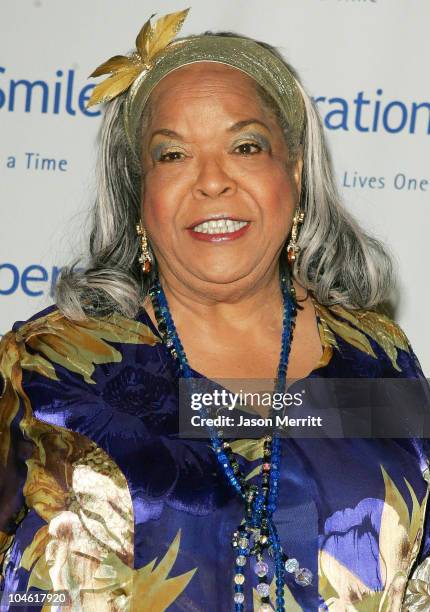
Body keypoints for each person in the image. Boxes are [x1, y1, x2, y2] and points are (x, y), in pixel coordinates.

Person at [0, 8, 429, 611]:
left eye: (246, 146)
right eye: (171, 155)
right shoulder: (47, 371)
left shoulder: (378, 358)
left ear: (296, 172)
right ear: (138, 195)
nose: (211, 181)